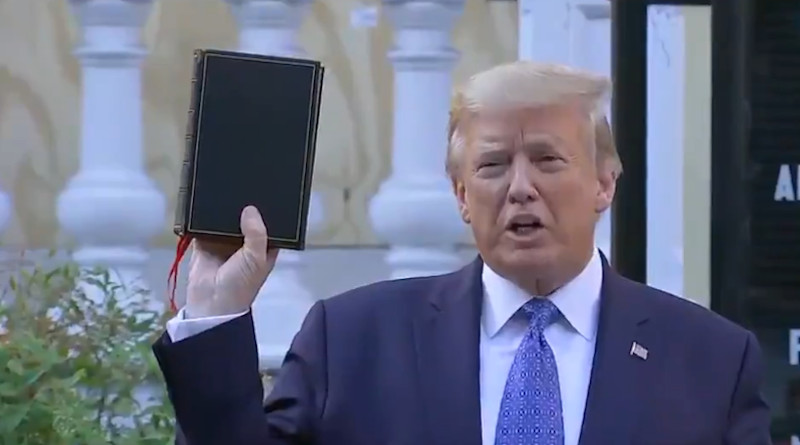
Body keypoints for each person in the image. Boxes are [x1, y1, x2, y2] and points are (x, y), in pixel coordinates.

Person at [152, 61, 772, 445]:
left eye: (548, 160)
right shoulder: (351, 342)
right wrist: (218, 317)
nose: (521, 187)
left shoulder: (710, 361)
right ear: (460, 195)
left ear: (605, 182)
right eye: (493, 165)